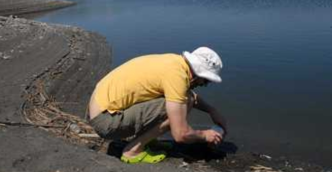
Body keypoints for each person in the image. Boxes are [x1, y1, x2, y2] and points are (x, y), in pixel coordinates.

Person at [87, 47, 228, 164]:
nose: (203, 85)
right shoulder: (177, 76)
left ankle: (148, 139)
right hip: (106, 121)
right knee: (185, 102)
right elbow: (180, 135)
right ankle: (133, 150)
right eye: (205, 82)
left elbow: (186, 93)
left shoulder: (175, 63)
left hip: (101, 110)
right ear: (199, 76)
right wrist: (205, 135)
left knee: (185, 98)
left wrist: (211, 110)